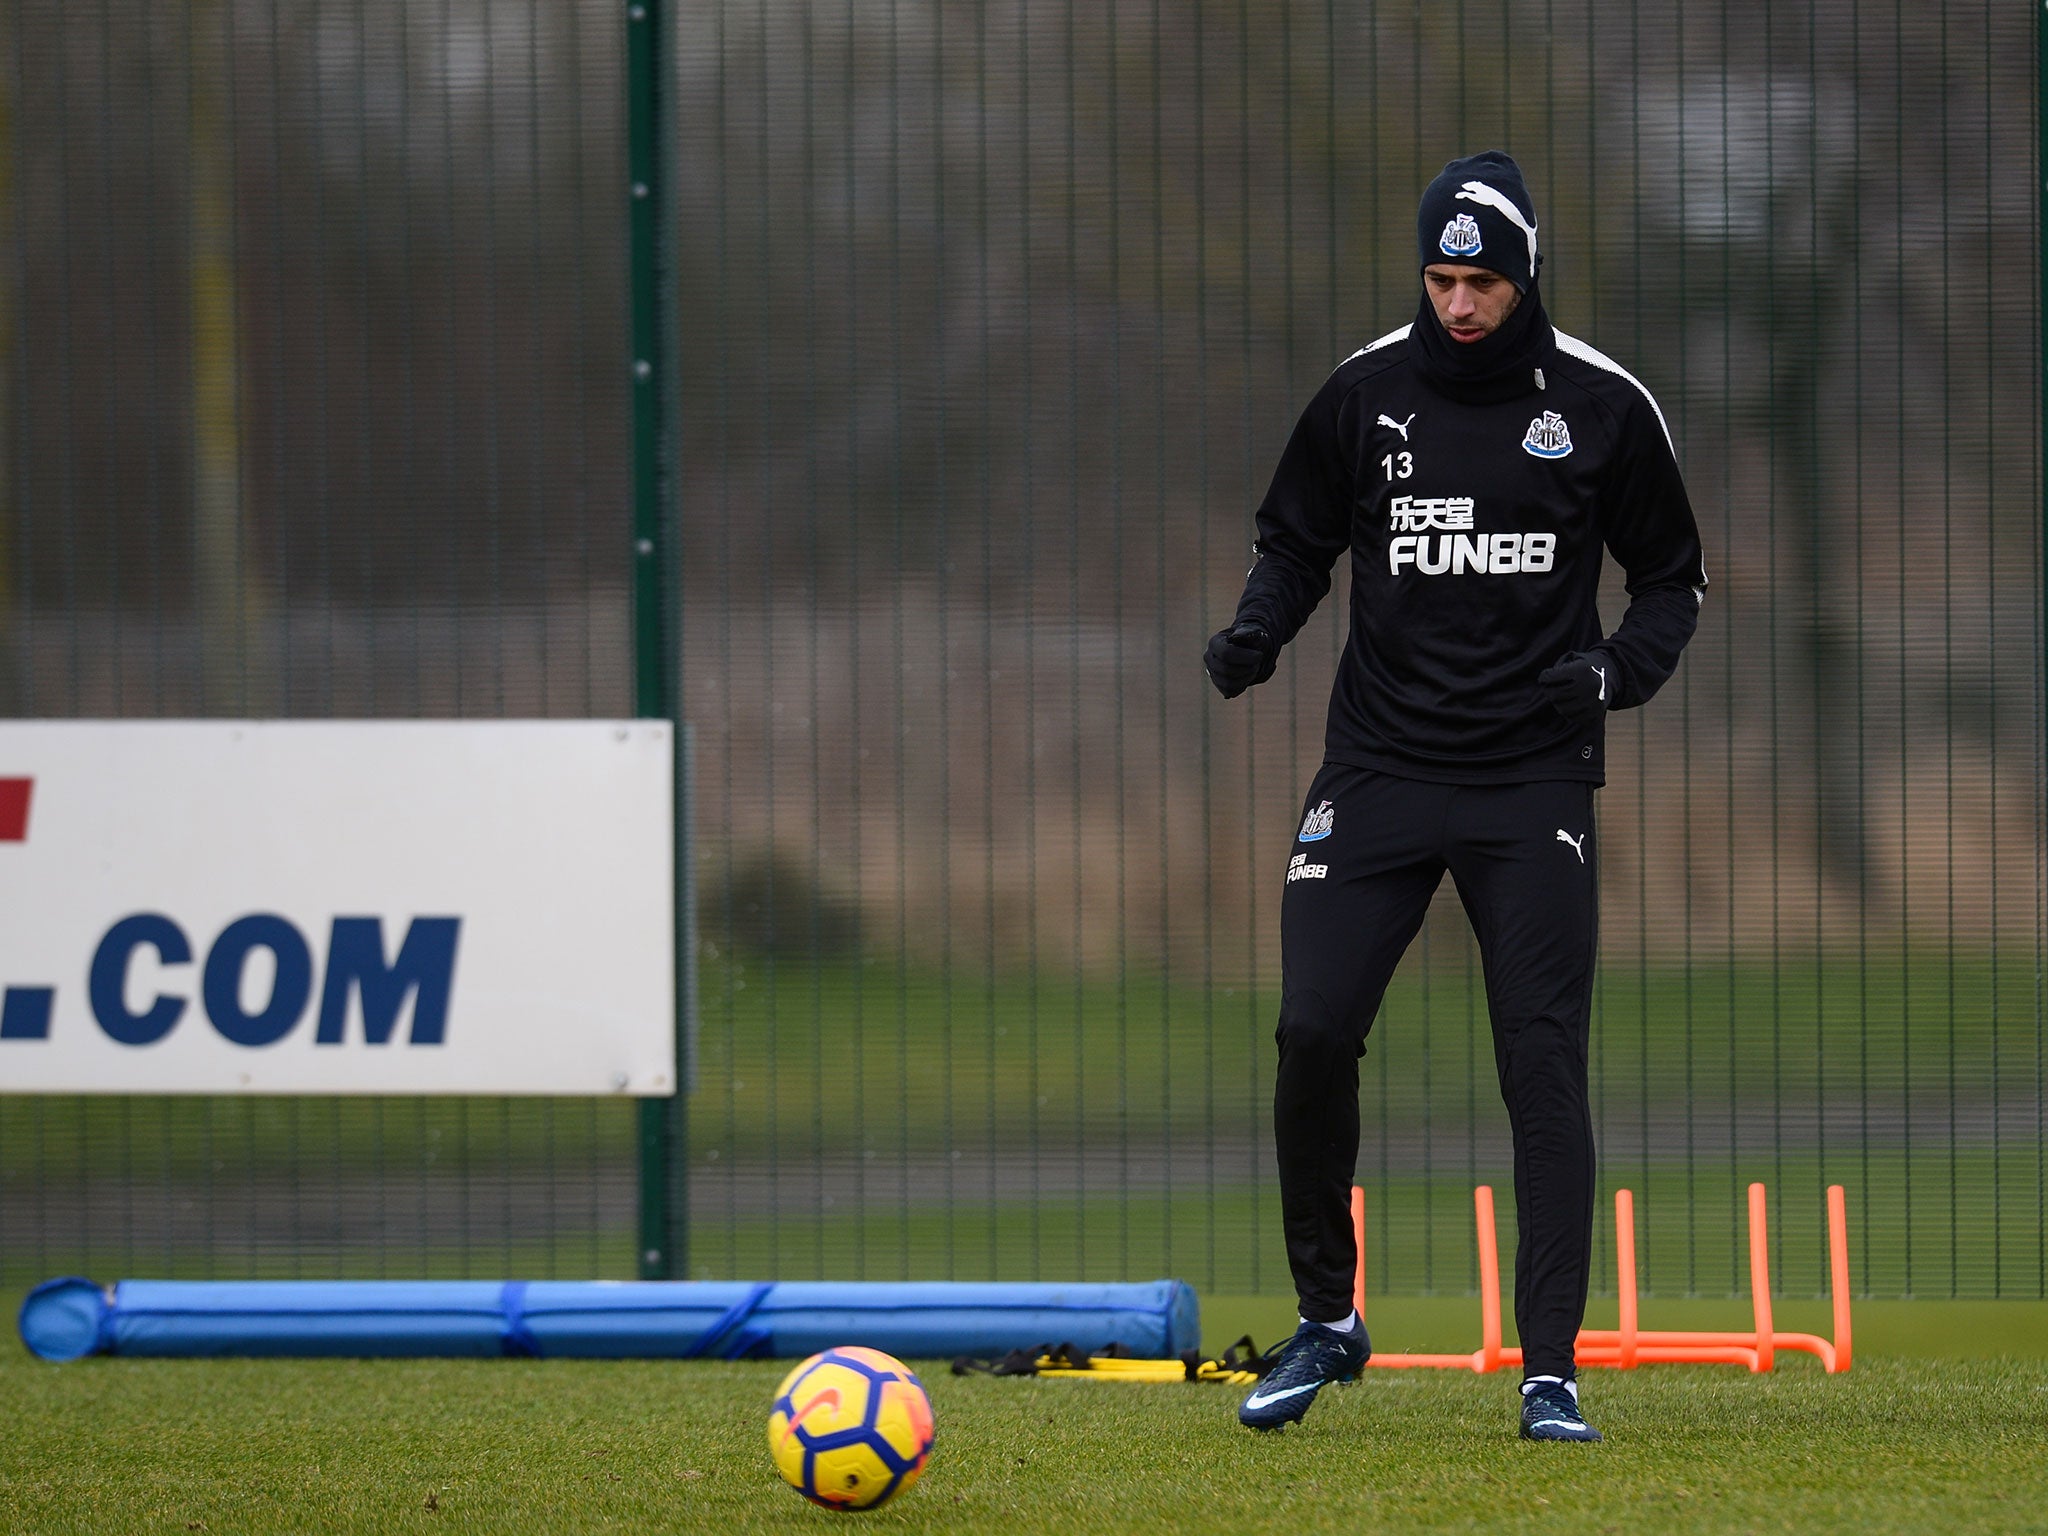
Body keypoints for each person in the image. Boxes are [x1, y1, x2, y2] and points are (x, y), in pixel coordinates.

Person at [1204, 151, 1706, 1441]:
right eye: (1439, 279)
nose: (1459, 305)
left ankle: (1549, 1370)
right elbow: (1296, 537)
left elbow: (1673, 585)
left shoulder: (1601, 407)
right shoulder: (1364, 393)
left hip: (1531, 775)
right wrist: (1258, 632)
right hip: (1376, 768)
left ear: (1526, 273)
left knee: (1540, 1066)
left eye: (1483, 281)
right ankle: (1328, 1319)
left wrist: (1609, 673)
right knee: (1313, 1030)